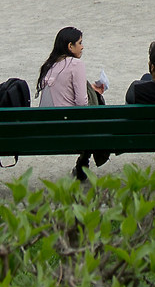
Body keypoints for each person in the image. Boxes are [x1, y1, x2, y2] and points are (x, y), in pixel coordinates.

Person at [36, 25, 109, 182]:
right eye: (80, 43)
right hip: (69, 131)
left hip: (48, 129)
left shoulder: (49, 65)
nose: (82, 47)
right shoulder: (76, 64)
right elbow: (82, 104)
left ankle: (83, 164)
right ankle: (85, 161)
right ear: (70, 46)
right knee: (96, 111)